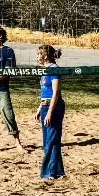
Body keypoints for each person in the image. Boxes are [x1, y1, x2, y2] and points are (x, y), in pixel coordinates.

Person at [36, 44, 65, 179]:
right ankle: (57, 171)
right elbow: (44, 93)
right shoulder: (44, 70)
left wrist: (50, 112)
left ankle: (50, 172)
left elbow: (55, 93)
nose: (37, 57)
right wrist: (40, 108)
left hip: (54, 106)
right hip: (45, 106)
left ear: (45, 56)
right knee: (49, 139)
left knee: (51, 140)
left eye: (38, 54)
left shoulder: (54, 69)